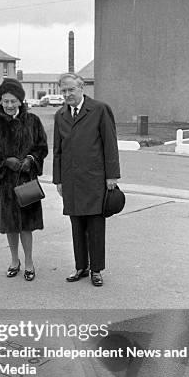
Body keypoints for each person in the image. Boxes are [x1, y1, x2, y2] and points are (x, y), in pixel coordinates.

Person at [53, 73, 120, 287]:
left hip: (94, 180)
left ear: (81, 87)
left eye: (71, 89)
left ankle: (96, 269)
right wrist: (58, 180)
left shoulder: (99, 109)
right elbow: (58, 151)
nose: (67, 94)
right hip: (71, 181)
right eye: (63, 91)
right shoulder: (60, 115)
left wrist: (112, 176)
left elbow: (110, 143)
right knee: (76, 226)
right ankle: (81, 266)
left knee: (95, 226)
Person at [0, 78, 48, 281]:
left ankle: (29, 262)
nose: (9, 105)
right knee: (10, 224)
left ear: (20, 101)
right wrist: (3, 162)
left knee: (26, 224)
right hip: (2, 183)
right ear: (0, 101)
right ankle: (14, 261)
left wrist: (30, 159)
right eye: (5, 101)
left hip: (26, 181)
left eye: (13, 101)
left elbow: (41, 147)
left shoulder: (33, 121)